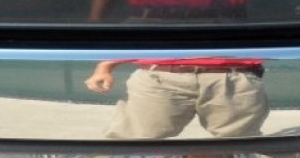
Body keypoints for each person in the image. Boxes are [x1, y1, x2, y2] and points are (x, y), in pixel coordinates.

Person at [85, 57, 269, 139]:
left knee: (243, 147)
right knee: (129, 147)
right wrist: (106, 65)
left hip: (233, 74)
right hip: (158, 75)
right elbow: (135, 19)